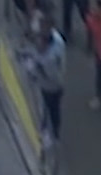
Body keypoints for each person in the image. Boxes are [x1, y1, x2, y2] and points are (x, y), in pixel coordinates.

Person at [19, 11, 67, 145]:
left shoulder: (49, 58)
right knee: (49, 109)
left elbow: (47, 74)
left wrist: (33, 69)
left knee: (50, 109)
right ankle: (49, 130)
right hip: (50, 84)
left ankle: (52, 134)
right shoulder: (54, 41)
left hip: (52, 86)